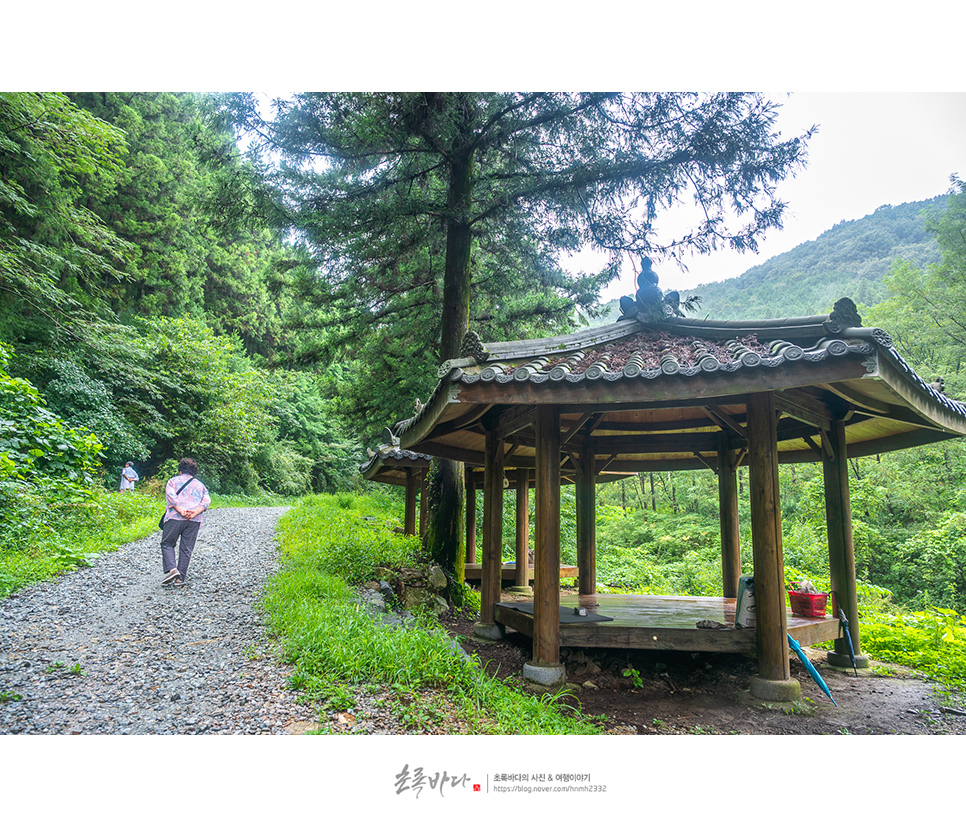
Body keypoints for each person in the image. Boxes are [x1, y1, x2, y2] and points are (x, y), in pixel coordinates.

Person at [160, 458, 210, 588]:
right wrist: (194, 512)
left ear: (180, 470)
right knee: (186, 548)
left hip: (175, 517)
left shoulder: (172, 481)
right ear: (194, 472)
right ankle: (180, 579)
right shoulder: (200, 485)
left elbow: (171, 497)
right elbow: (206, 501)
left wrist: (181, 511)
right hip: (194, 520)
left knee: (167, 543)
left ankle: (172, 570)